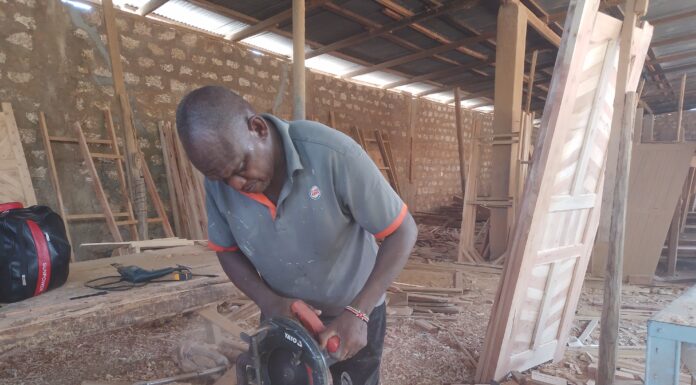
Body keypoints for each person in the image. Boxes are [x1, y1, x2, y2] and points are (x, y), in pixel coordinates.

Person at [176, 86, 417, 385]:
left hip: (354, 311)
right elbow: (227, 250)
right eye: (222, 178)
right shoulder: (219, 182)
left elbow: (403, 230)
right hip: (284, 316)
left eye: (240, 168)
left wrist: (359, 311)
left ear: (258, 128)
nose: (236, 184)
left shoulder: (330, 154)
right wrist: (268, 301)